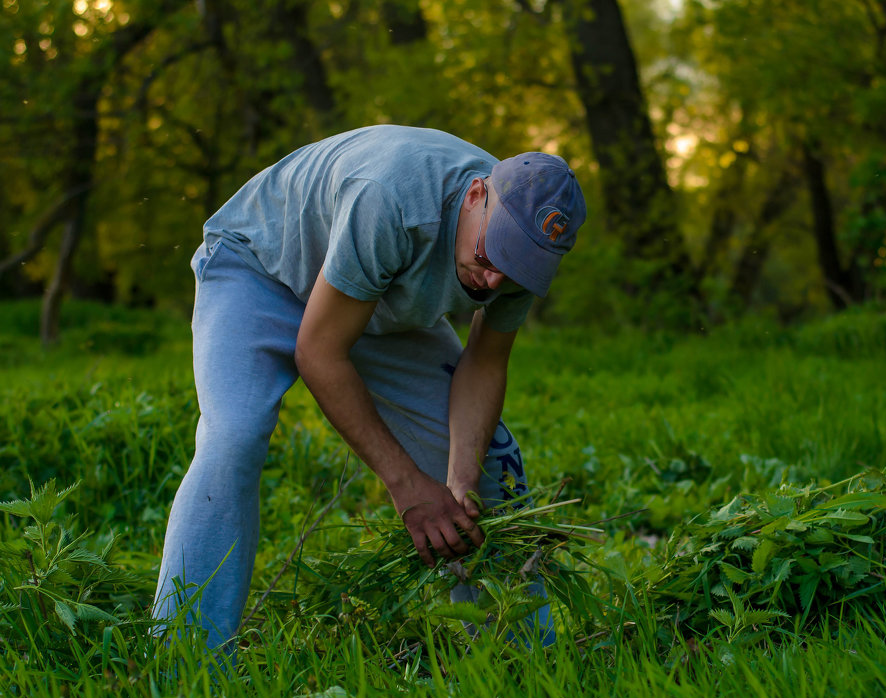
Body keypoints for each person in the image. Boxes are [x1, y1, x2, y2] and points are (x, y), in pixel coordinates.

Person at [152, 125, 586, 652]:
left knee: (493, 467)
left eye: (516, 270)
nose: (494, 281)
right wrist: (407, 486)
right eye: (491, 255)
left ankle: (521, 663)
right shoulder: (393, 198)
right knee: (234, 437)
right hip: (262, 265)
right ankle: (185, 659)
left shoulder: (519, 247)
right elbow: (319, 352)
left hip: (373, 296)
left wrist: (459, 481)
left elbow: (486, 365)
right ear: (476, 196)